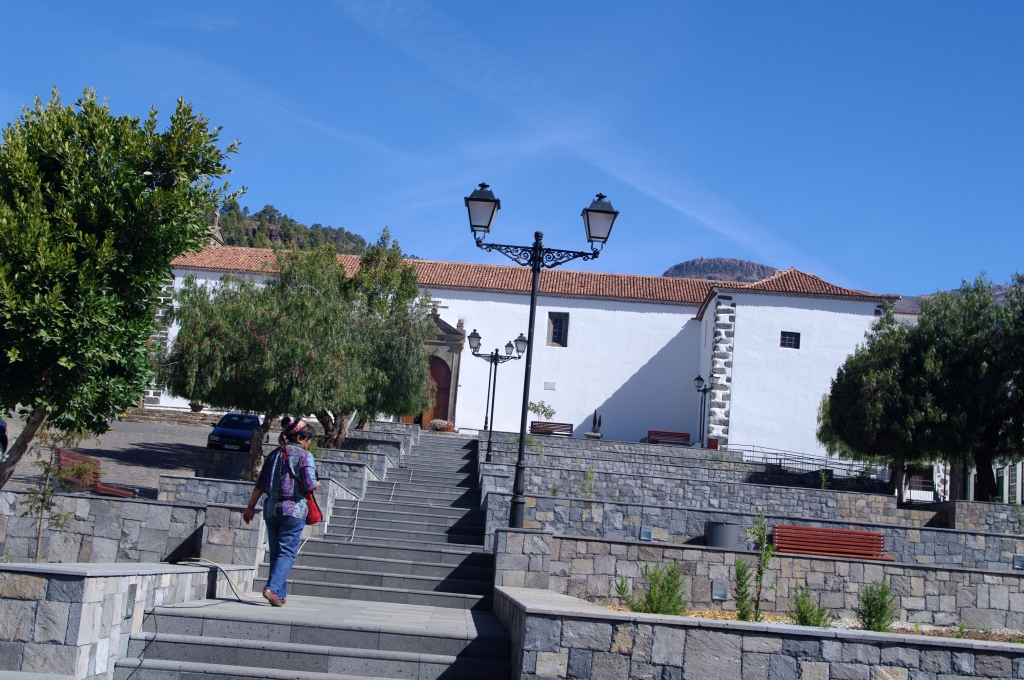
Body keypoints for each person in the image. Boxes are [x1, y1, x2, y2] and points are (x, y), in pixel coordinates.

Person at [243, 416, 319, 607]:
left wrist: (250, 507)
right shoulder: (304, 456)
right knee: (287, 553)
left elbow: (260, 484)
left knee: (277, 553)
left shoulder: (274, 455)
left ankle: (279, 594)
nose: (309, 444)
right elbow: (310, 484)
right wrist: (317, 484)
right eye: (308, 440)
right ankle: (271, 588)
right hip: (294, 511)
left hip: (271, 510)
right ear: (299, 438)